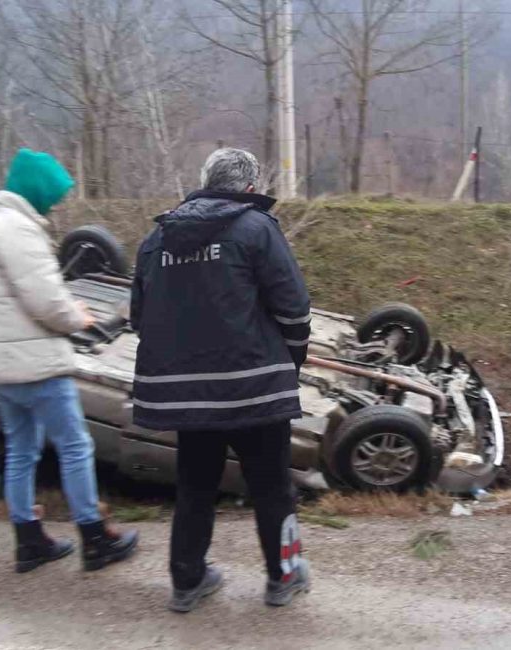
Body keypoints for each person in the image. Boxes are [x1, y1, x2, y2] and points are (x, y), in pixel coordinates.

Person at [131, 148, 312, 612]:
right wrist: (289, 362)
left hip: (189, 397)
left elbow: (139, 317)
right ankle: (284, 576)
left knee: (195, 486)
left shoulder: (157, 239)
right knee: (272, 487)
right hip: (254, 386)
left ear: (206, 182)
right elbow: (293, 307)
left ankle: (187, 582)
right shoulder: (256, 228)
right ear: (250, 189)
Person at [0, 148, 138, 573]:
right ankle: (94, 537)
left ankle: (28, 540)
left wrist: (62, 303)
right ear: (37, 190)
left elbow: (8, 299)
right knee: (76, 446)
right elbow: (46, 303)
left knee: (22, 450)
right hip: (35, 365)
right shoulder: (19, 231)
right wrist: (78, 314)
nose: (55, 204)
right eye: (53, 195)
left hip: (1, 368)